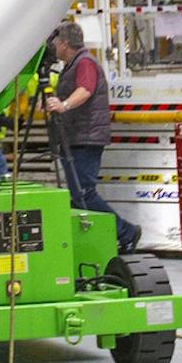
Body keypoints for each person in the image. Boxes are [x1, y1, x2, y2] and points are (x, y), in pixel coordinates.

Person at [42, 21, 142, 252]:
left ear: (65, 43)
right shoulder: (72, 64)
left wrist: (63, 104)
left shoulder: (85, 63)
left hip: (86, 137)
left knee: (83, 192)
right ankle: (107, 235)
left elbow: (85, 90)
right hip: (77, 136)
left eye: (56, 43)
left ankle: (126, 232)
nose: (53, 48)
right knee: (78, 194)